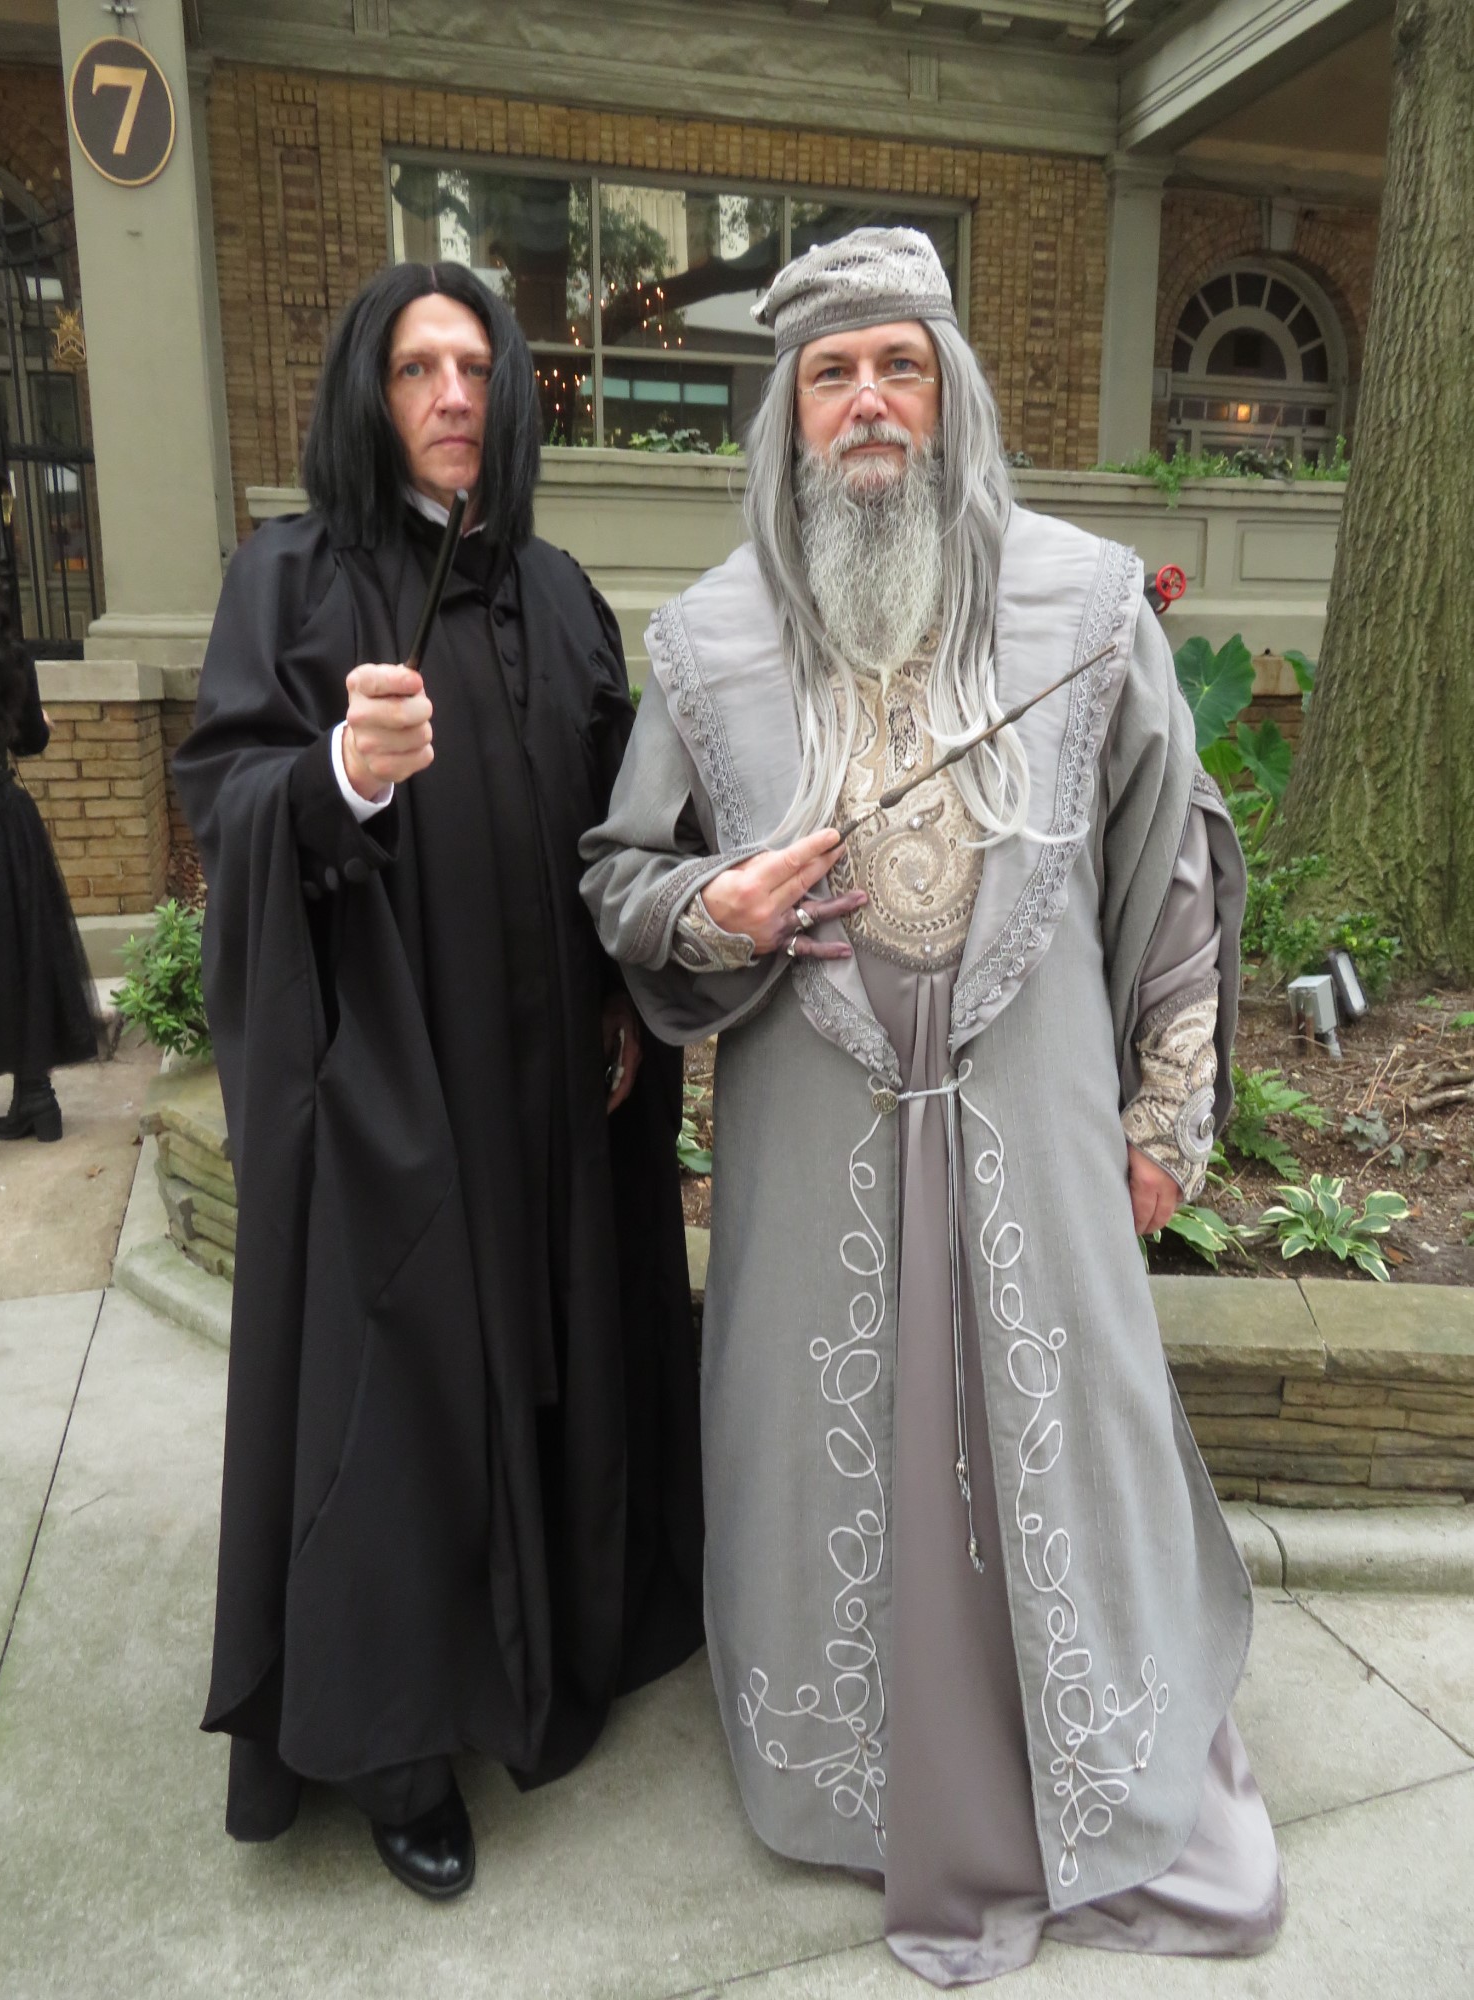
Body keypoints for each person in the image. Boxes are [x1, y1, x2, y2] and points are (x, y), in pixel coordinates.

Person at [581, 228, 1283, 1984]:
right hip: (812, 1140)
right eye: (833, 373)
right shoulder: (707, 642)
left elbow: (1173, 866)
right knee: (838, 1444)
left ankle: (1086, 1749)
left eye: (900, 365)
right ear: (790, 413)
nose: (870, 402)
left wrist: (1166, 1115)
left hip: (1033, 1126)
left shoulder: (1086, 603)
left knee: (1057, 1425)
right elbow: (619, 876)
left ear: (950, 391)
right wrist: (712, 907)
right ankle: (862, 1782)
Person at [174, 262, 703, 1900]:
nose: (453, 394)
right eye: (417, 368)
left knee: (558, 1345)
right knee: (403, 1392)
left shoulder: (555, 591)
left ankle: (567, 1639)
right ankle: (402, 1748)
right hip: (398, 1079)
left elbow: (613, 821)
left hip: (555, 1081)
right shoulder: (292, 579)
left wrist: (622, 994)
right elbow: (228, 795)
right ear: (369, 392)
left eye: (476, 366)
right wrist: (337, 774)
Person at [0, 501, 97, 1137]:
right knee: (18, 953)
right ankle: (37, 1097)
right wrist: (31, 723)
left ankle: (34, 1101)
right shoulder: (4, 653)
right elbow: (29, 739)